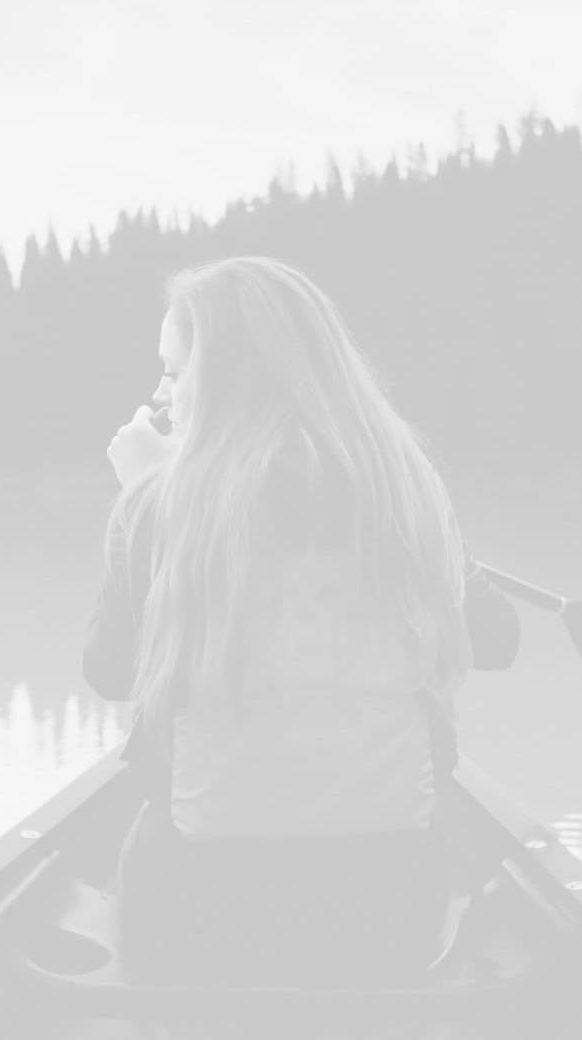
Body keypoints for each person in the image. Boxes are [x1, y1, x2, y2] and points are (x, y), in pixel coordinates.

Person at [82, 255, 521, 995]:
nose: (160, 395)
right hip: (394, 903)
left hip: (198, 902)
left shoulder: (158, 505)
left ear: (225, 379)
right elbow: (498, 639)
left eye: (174, 372)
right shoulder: (406, 491)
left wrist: (147, 494)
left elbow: (111, 672)